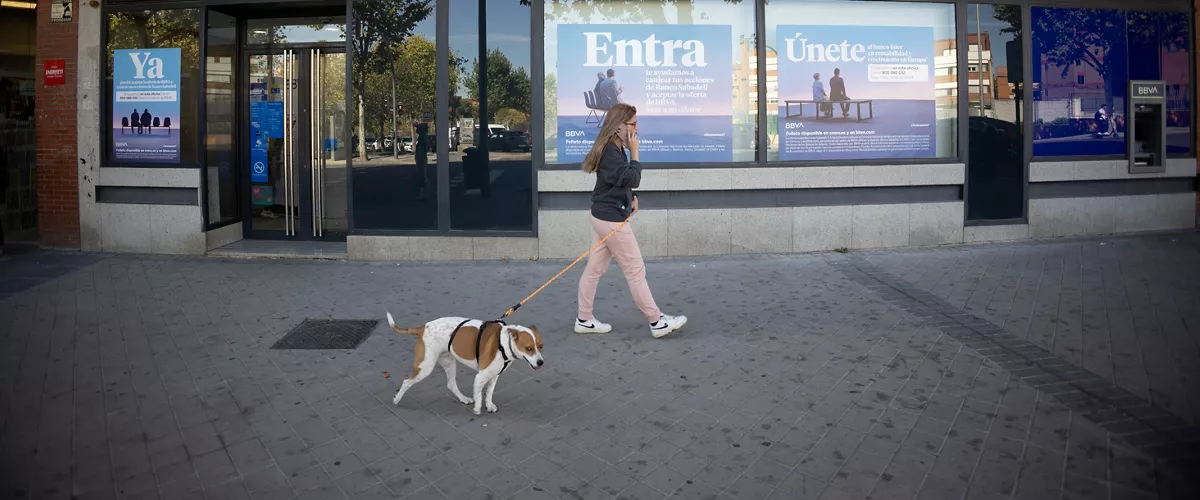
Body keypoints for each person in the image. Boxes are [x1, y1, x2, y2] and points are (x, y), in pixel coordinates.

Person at [575, 103, 687, 339]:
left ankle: (584, 320)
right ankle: (656, 322)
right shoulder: (611, 152)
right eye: (633, 124)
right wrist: (635, 152)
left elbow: (619, 182)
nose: (637, 128)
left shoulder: (615, 149)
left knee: (594, 269)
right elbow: (632, 177)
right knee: (635, 270)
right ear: (619, 127)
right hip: (610, 219)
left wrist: (632, 197)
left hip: (603, 215)